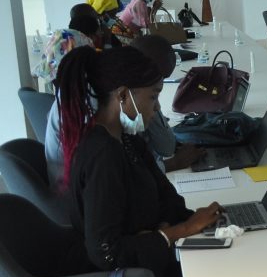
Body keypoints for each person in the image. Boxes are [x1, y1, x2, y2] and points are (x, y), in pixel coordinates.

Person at [56, 46, 252, 277]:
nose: (158, 108)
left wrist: (194, 222)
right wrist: (178, 230)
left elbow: (167, 201)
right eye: (153, 97)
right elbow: (106, 253)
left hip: (148, 267)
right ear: (123, 96)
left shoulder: (127, 141)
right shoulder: (102, 155)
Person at [45, 37, 202, 186]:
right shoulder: (98, 116)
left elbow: (162, 148)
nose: (157, 106)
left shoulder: (112, 96)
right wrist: (173, 163)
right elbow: (117, 175)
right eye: (153, 92)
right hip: (73, 193)